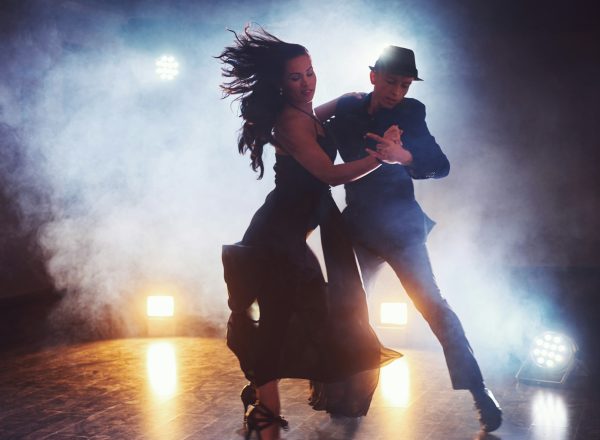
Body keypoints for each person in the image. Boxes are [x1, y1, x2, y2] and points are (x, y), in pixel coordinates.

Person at [217, 28, 401, 440]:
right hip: (276, 236)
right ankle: (266, 414)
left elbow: (319, 116)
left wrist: (349, 98)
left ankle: (261, 399)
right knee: (283, 320)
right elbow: (329, 175)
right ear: (280, 83)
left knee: (306, 317)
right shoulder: (290, 122)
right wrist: (380, 158)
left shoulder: (304, 114)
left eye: (311, 72)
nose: (307, 82)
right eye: (296, 77)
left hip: (291, 235)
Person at [319, 45, 503, 433]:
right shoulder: (348, 111)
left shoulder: (411, 112)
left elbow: (440, 165)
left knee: (434, 305)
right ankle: (344, 399)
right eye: (391, 82)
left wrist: (402, 155)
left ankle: (479, 390)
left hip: (402, 229)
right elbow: (318, 153)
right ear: (373, 77)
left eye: (404, 85)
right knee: (344, 309)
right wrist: (334, 102)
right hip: (358, 227)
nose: (397, 92)